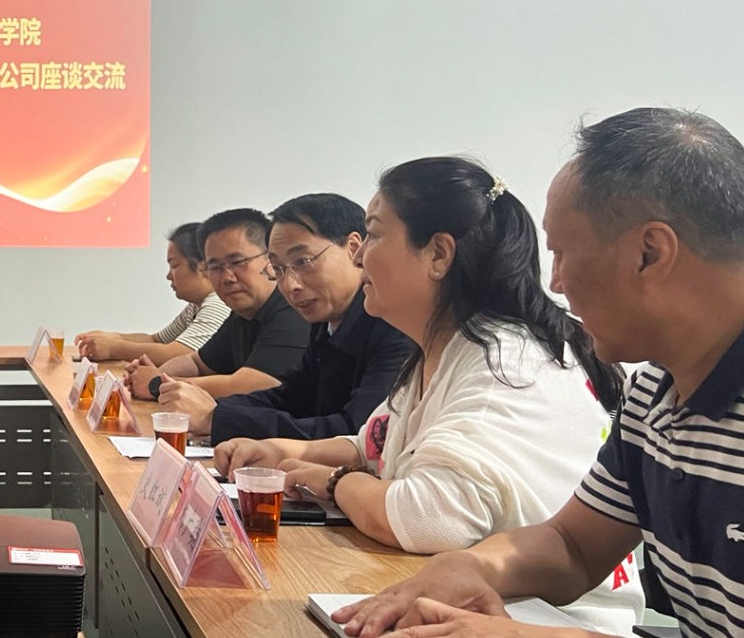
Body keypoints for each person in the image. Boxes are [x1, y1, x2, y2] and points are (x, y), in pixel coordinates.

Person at [334, 109, 744, 638]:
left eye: (562, 254)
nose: (556, 283)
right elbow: (574, 545)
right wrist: (473, 567)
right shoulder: (655, 391)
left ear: (649, 253)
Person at [215, 157, 641, 633]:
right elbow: (374, 443)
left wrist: (335, 482)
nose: (358, 257)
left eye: (373, 235)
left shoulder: (504, 364)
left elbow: (429, 518)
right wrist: (286, 452)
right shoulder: (443, 346)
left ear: (438, 254)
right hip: (470, 599)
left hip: (542, 620)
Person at [157, 194, 414, 441]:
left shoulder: (396, 326)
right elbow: (290, 397)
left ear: (354, 249)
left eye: (303, 261)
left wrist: (216, 418)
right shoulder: (325, 322)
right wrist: (213, 412)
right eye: (278, 269)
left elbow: (358, 433)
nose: (291, 285)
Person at [124, 208, 310, 409]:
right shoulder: (241, 314)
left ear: (271, 260)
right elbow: (196, 363)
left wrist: (157, 384)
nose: (227, 277)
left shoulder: (292, 310)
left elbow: (251, 385)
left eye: (237, 262)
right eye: (215, 267)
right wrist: (159, 375)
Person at [74, 221, 231, 365]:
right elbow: (156, 340)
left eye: (174, 266)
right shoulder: (196, 306)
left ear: (202, 266)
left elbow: (179, 354)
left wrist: (113, 348)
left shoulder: (217, 304)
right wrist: (111, 338)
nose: (169, 276)